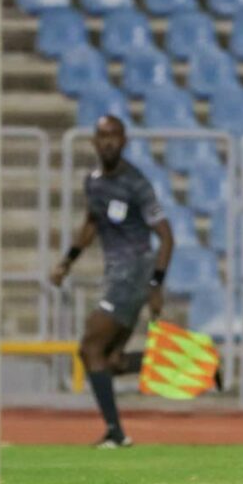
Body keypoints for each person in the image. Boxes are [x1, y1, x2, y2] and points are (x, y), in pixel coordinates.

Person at [50, 116, 173, 448]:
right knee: (109, 360)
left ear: (124, 141)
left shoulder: (136, 184)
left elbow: (166, 237)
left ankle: (116, 433)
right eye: (102, 136)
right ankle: (181, 362)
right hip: (116, 275)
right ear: (93, 141)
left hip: (134, 273)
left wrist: (155, 286)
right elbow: (91, 221)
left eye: (114, 136)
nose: (108, 142)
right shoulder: (93, 182)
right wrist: (67, 261)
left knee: (90, 347)